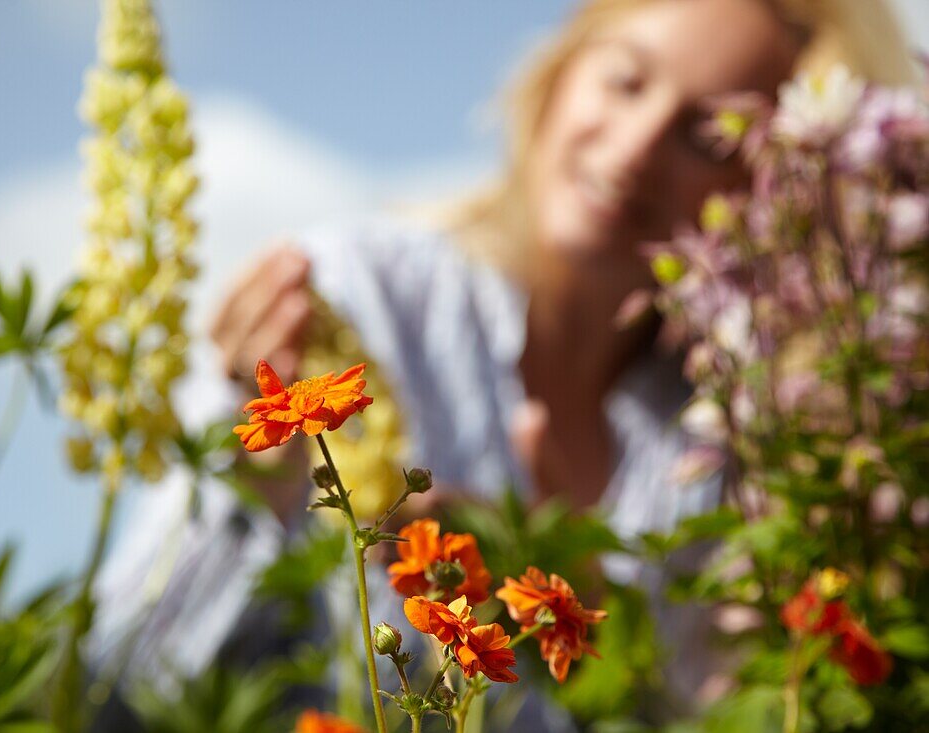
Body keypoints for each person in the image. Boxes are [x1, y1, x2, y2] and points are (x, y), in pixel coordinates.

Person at [89, 0, 917, 728]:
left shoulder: (729, 440)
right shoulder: (360, 291)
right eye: (625, 81)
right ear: (559, 74)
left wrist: (599, 627)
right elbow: (115, 684)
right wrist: (255, 478)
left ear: (774, 193)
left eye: (704, 136)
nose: (633, 149)